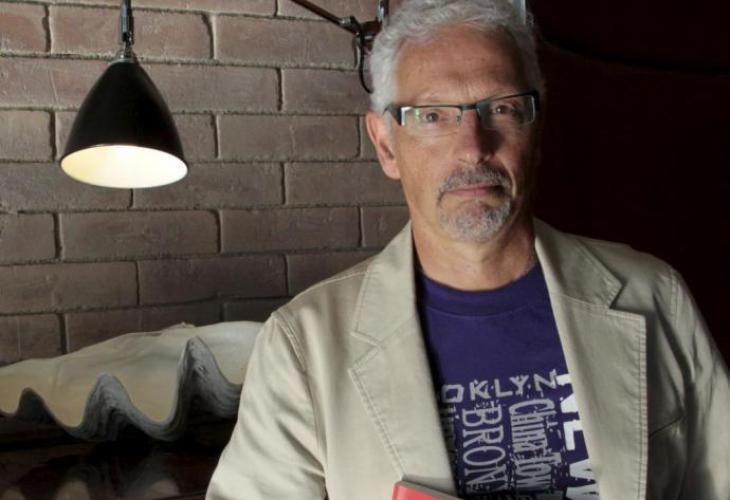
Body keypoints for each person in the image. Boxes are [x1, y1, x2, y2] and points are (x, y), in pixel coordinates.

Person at [206, 0, 730, 498]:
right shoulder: (304, 346)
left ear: (536, 129)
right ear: (386, 145)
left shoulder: (654, 297)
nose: (473, 148)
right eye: (432, 116)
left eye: (501, 108)